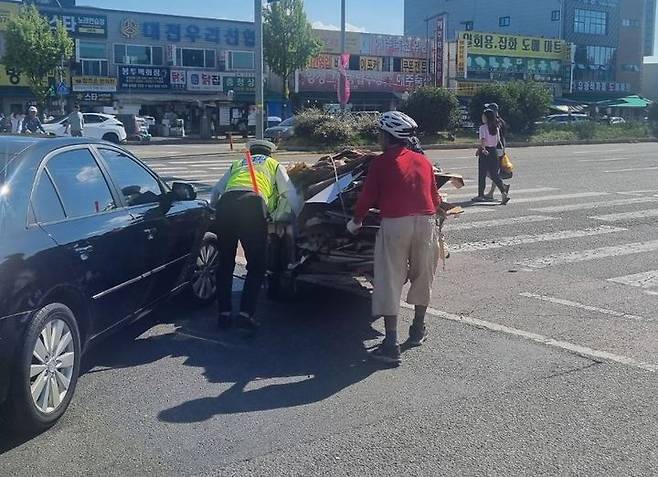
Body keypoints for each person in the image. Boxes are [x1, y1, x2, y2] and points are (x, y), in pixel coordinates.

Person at [346, 111, 442, 366]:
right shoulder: (424, 161)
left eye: (379, 134)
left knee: (389, 279)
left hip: (396, 224)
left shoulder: (381, 162)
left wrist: (356, 222)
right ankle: (418, 329)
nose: (378, 138)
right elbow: (436, 198)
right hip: (426, 222)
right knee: (423, 276)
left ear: (388, 137)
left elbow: (367, 197)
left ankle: (390, 345)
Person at [210, 139, 301, 332]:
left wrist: (214, 209)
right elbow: (290, 193)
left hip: (225, 207)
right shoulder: (272, 164)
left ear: (251, 152)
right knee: (257, 266)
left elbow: (216, 191)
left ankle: (223, 314)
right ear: (270, 153)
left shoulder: (238, 164)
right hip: (252, 207)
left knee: (225, 263)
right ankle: (246, 314)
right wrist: (300, 216)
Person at [472, 108, 510, 204]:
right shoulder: (496, 127)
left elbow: (483, 140)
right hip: (494, 151)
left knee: (482, 174)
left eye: (483, 116)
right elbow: (497, 140)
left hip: (485, 151)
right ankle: (503, 192)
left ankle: (481, 195)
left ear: (487, 117)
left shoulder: (482, 128)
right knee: (494, 174)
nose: (482, 117)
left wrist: (483, 149)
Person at [483, 103, 508, 200]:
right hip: (500, 148)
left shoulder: (495, 122)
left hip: (495, 148)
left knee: (488, 171)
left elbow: (493, 137)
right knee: (494, 171)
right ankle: (492, 192)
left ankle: (502, 186)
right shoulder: (501, 121)